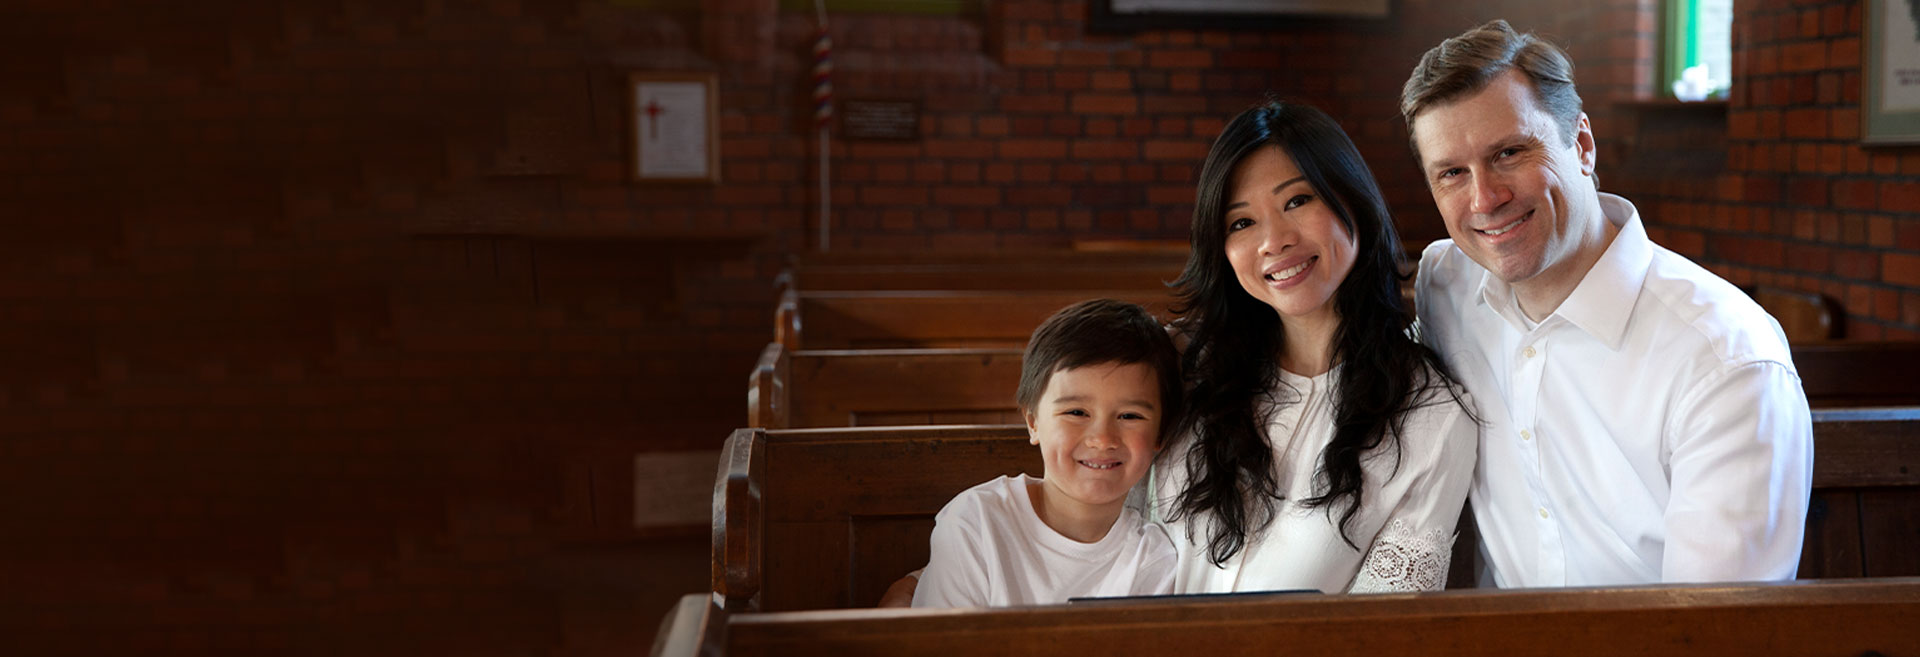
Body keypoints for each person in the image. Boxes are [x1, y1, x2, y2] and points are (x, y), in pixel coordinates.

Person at [1402, 20, 1813, 587]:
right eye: (1452, 172)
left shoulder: (1726, 357)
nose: (1485, 199)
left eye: (1509, 153)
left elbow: (1721, 631)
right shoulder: (1446, 283)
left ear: (1583, 145)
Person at [1148, 100, 1478, 594]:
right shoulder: (1186, 374)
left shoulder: (1432, 415)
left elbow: (1379, 630)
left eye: (1297, 201)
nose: (1274, 241)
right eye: (1241, 223)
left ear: (1352, 202)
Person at [911, 299, 1182, 607]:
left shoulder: (1153, 557)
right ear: (1033, 423)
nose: (1103, 439)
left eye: (1129, 416)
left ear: (1161, 433)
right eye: (1077, 412)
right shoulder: (976, 522)